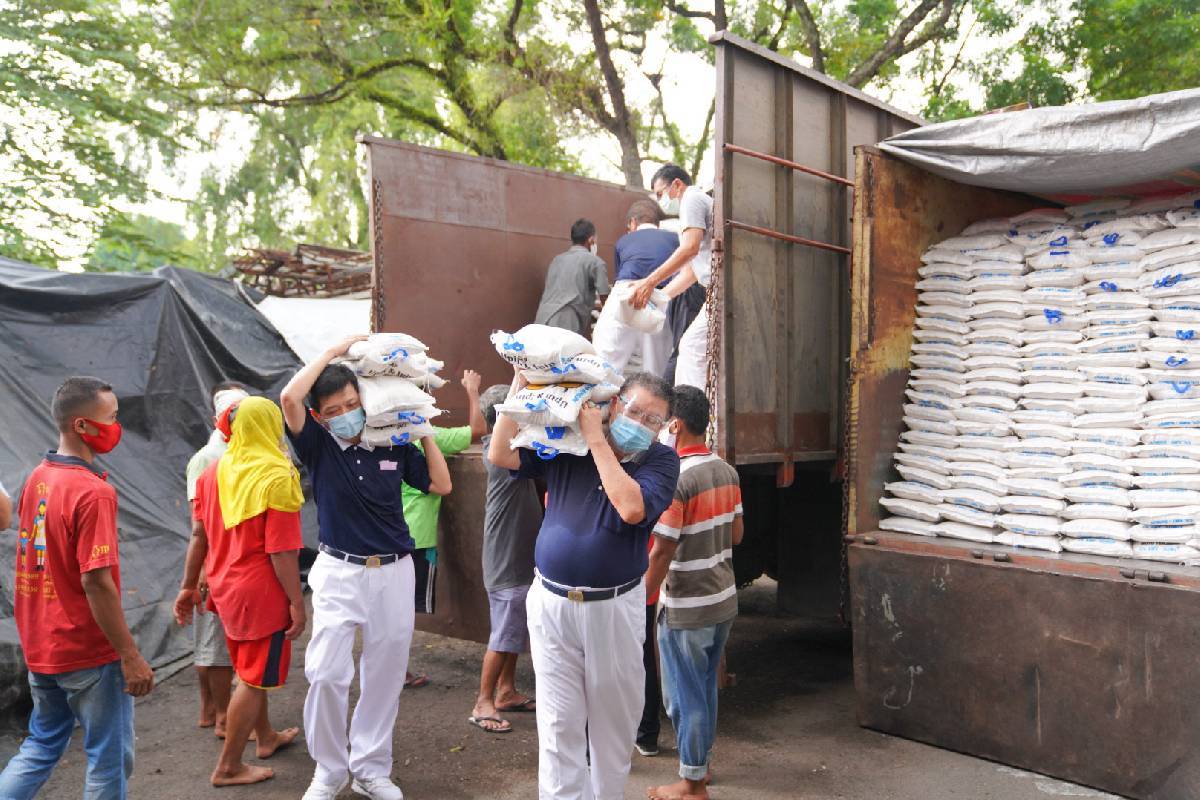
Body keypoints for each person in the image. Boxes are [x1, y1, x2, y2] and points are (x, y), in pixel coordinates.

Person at [488, 372, 680, 800]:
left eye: (653, 420)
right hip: (551, 601)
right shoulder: (566, 444)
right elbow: (501, 453)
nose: (641, 424)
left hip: (612, 607)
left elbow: (631, 508)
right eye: (634, 411)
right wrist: (521, 383)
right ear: (614, 405)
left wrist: (596, 441)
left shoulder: (660, 462)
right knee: (558, 721)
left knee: (613, 720)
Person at [280, 335, 452, 800]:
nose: (344, 414)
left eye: (351, 404)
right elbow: (289, 397)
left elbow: (441, 483)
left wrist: (421, 430)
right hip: (338, 570)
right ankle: (329, 771)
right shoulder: (318, 445)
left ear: (366, 401)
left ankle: (372, 769)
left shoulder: (391, 443)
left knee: (385, 673)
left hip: (396, 569)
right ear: (319, 416)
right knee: (326, 672)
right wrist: (333, 351)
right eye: (333, 409)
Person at [0, 376, 155, 800]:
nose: (117, 426)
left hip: (42, 646)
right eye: (112, 418)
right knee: (108, 760)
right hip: (87, 651)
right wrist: (130, 655)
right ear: (82, 426)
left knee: (41, 745)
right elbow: (96, 581)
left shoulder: (39, 476)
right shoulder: (93, 492)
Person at [174, 396, 305, 787]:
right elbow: (281, 551)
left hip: (224, 587)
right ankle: (229, 766)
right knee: (251, 679)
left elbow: (198, 535)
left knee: (249, 671)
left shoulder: (213, 473)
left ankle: (265, 738)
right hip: (260, 595)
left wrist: (187, 586)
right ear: (271, 427)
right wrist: (298, 602)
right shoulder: (276, 476)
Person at [644, 386, 743, 800]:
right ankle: (699, 765)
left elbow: (663, 549)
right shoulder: (725, 470)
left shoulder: (677, 479)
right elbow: (736, 534)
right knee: (703, 689)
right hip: (722, 599)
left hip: (687, 604)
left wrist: (640, 599)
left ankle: (692, 784)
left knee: (683, 697)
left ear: (675, 424)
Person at [403, 368, 487, 688]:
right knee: (404, 610)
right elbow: (479, 428)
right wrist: (472, 390)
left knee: (388, 607)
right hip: (418, 537)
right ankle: (397, 668)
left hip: (388, 535)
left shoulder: (380, 437)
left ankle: (388, 666)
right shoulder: (430, 438)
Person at [468, 384, 542, 734]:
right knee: (503, 634)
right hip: (506, 560)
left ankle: (506, 691)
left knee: (513, 632)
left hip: (516, 558)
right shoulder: (499, 456)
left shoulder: (511, 452)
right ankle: (483, 701)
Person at [184, 381, 249, 737]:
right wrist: (203, 570)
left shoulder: (240, 453)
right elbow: (200, 525)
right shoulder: (208, 459)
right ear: (218, 418)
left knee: (214, 640)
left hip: (229, 559)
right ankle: (224, 715)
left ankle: (213, 710)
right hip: (216, 560)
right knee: (215, 642)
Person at [630, 166, 715, 391]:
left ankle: (691, 417)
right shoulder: (694, 203)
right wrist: (658, 296)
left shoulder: (691, 199)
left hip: (719, 291)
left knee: (691, 349)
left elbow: (690, 248)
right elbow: (691, 273)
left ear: (677, 184)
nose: (660, 201)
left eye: (660, 193)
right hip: (714, 292)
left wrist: (648, 282)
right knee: (693, 350)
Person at [593, 201, 679, 377]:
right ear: (657, 223)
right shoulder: (674, 239)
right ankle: (654, 399)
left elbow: (619, 277)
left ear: (633, 222)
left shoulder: (623, 241)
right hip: (660, 295)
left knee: (606, 357)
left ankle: (602, 397)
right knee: (656, 364)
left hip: (626, 291)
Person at [534, 218, 611, 336]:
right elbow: (605, 299)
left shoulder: (557, 260)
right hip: (567, 322)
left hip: (542, 319)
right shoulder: (596, 262)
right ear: (591, 240)